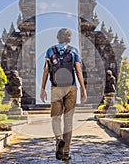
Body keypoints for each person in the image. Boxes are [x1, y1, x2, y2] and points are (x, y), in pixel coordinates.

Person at [40, 28, 87, 161]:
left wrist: (42, 89)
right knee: (68, 120)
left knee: (56, 118)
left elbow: (46, 71)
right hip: (71, 88)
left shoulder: (50, 50)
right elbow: (78, 71)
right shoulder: (73, 51)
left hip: (56, 88)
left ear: (58, 37)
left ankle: (59, 139)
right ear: (69, 38)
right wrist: (83, 89)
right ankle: (66, 152)